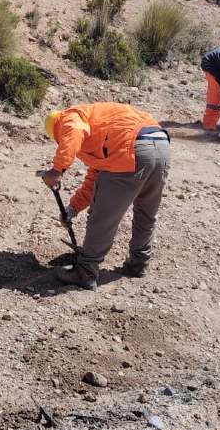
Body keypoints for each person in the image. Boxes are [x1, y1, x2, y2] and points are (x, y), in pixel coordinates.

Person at [39, 103, 171, 290]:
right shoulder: (102, 125)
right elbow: (96, 176)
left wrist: (57, 169)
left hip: (132, 147)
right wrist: (73, 208)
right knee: (146, 212)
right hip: (161, 146)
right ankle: (138, 264)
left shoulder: (68, 117)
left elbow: (73, 130)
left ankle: (85, 272)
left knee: (103, 216)